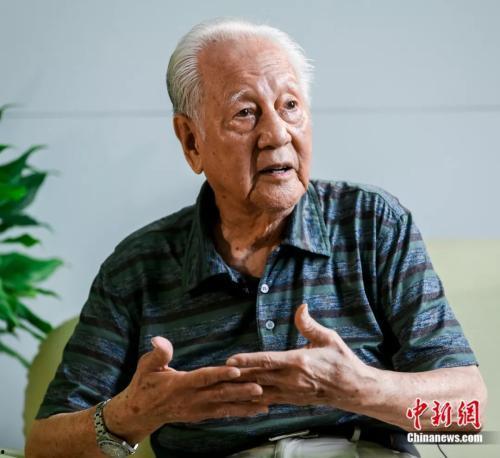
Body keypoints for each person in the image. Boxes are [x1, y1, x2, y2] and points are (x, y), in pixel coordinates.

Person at [26, 18, 487, 458]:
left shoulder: (372, 223)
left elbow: (467, 416)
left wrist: (356, 387)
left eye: (290, 106)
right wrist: (135, 413)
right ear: (191, 141)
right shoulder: (138, 267)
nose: (277, 134)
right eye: (245, 113)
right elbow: (44, 447)